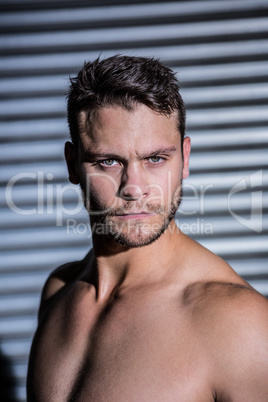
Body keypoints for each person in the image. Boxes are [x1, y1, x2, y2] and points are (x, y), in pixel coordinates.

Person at [27, 55, 268, 401]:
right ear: (73, 164)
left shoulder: (239, 324)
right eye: (108, 161)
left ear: (185, 157)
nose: (134, 188)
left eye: (155, 159)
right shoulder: (58, 292)